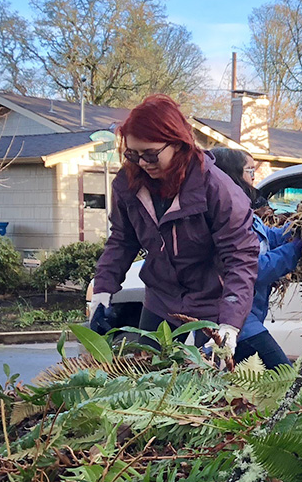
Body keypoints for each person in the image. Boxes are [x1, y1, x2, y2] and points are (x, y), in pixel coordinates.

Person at [90, 95, 258, 355]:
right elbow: (122, 240)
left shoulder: (216, 188)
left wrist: (230, 324)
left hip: (215, 302)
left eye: (151, 154)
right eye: (133, 155)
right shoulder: (128, 184)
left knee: (239, 383)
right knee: (149, 381)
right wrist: (102, 290)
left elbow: (240, 256)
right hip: (161, 301)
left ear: (178, 144)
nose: (143, 163)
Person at [210, 147, 298, 369]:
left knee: (238, 389)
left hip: (248, 318)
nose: (254, 179)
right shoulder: (224, 216)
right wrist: (298, 249)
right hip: (234, 319)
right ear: (230, 175)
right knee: (283, 376)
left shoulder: (244, 212)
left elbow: (270, 237)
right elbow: (253, 268)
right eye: (250, 171)